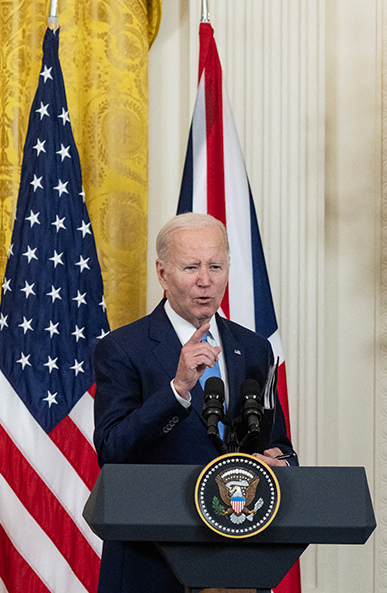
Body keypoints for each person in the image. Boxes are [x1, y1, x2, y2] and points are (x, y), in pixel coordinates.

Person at [92, 213, 297, 593]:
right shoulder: (122, 348)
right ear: (162, 273)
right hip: (151, 560)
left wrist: (280, 463)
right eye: (191, 267)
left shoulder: (254, 348)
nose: (205, 280)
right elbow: (112, 449)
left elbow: (279, 445)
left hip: (238, 555)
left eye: (215, 266)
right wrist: (177, 390)